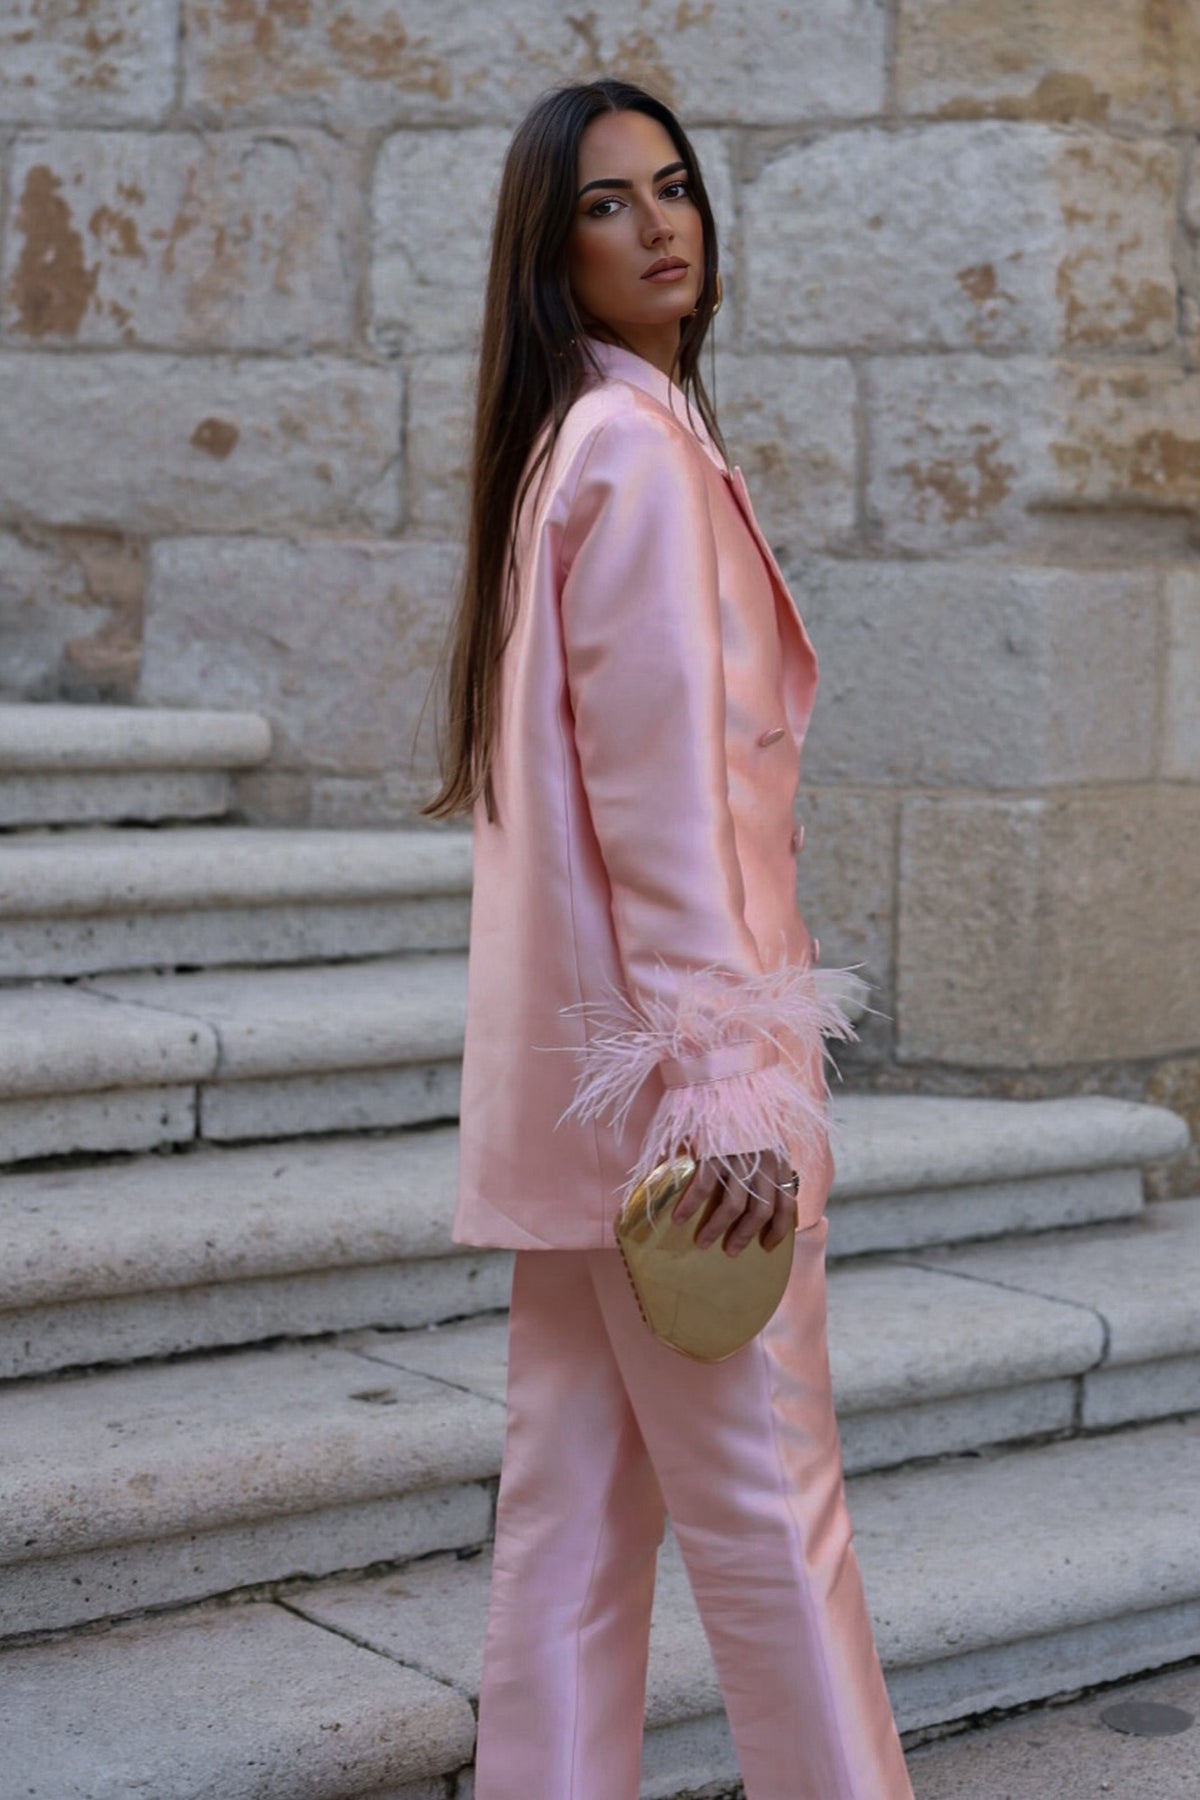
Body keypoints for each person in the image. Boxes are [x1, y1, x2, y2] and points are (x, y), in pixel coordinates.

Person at [422, 75, 915, 1800]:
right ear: (551, 255)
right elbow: (669, 814)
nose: (664, 224)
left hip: (593, 1099)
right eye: (611, 204)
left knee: (570, 1521)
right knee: (784, 1517)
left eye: (677, 188)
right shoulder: (631, 449)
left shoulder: (581, 442)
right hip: (687, 1106)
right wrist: (733, 1108)